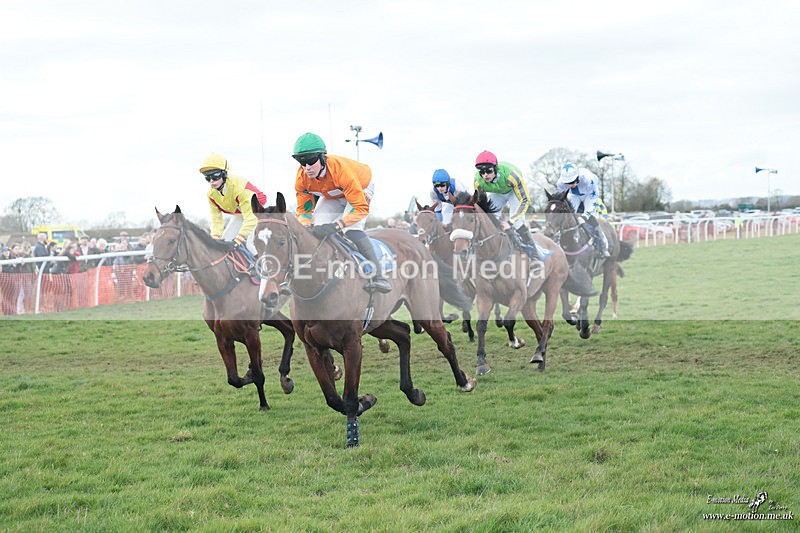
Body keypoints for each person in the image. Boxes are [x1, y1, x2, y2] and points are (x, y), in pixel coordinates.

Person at [292, 132, 391, 293]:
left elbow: (360, 208)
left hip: (361, 187)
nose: (307, 168)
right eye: (301, 162)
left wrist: (336, 226)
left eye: (310, 161)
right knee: (315, 228)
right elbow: (303, 211)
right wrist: (307, 226)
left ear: (322, 157)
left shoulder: (340, 170)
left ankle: (378, 275)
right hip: (333, 193)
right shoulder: (301, 178)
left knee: (350, 229)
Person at [473, 150, 540, 260]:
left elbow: (525, 200)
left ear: (495, 168)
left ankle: (535, 255)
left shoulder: (512, 176)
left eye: (489, 171)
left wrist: (510, 221)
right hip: (498, 193)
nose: (485, 175)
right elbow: (480, 204)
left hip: (514, 192)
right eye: (482, 172)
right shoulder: (478, 181)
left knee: (517, 223)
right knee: (490, 218)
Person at [199, 153, 267, 256]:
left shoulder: (239, 189)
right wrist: (214, 239)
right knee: (223, 243)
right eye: (208, 178)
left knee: (251, 244)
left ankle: (265, 270)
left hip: (259, 210)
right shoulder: (211, 195)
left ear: (224, 174)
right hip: (242, 213)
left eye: (215, 176)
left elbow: (250, 217)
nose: (212, 181)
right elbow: (216, 220)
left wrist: (238, 239)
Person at [556, 162, 610, 257]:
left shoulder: (589, 179)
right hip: (574, 195)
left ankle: (602, 243)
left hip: (588, 195)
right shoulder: (560, 184)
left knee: (588, 217)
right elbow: (563, 199)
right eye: (567, 183)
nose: (569, 185)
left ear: (577, 178)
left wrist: (585, 216)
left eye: (571, 182)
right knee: (570, 215)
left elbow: (593, 199)